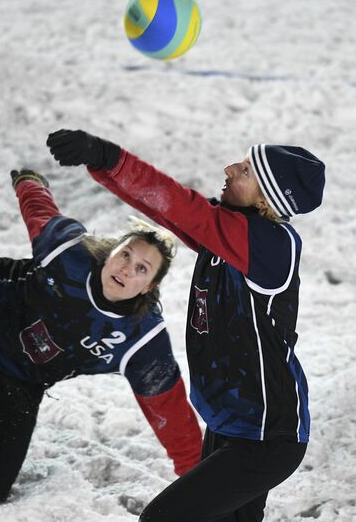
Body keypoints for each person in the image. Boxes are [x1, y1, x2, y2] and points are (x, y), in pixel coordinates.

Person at [47, 129, 325, 522]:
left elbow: (184, 206)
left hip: (267, 436)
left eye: (245, 170)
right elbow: (168, 210)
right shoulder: (230, 232)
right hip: (232, 424)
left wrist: (112, 156)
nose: (230, 169)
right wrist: (102, 165)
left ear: (266, 199)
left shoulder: (270, 245)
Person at [0, 168, 203, 504]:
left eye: (141, 268)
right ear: (111, 251)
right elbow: (40, 211)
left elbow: (172, 415)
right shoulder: (68, 251)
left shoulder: (141, 341)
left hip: (18, 380)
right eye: (125, 254)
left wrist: (202, 483)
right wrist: (30, 181)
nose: (126, 268)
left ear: (150, 286)